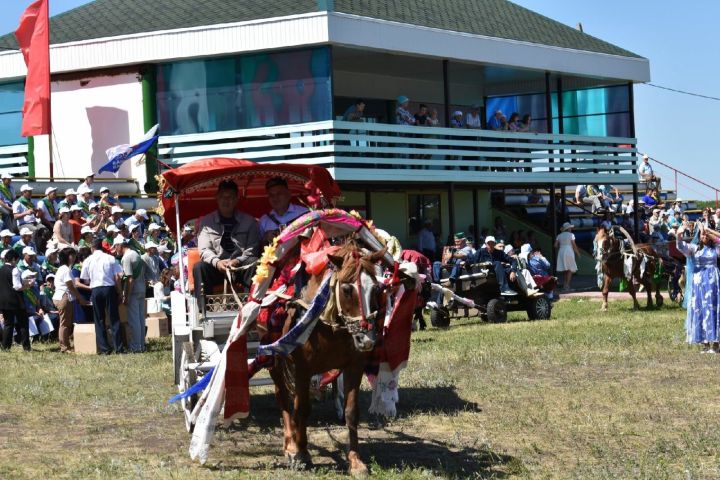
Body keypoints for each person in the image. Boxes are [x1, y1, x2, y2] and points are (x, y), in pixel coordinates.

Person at [193, 180, 259, 303]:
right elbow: (204, 250)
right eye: (223, 196)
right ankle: (203, 310)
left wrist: (237, 261)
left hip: (240, 266)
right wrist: (217, 262)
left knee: (255, 263)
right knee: (199, 267)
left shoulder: (249, 221)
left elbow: (252, 249)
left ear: (236, 199)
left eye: (231, 197)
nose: (226, 200)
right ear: (217, 198)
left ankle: (251, 306)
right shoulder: (206, 222)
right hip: (216, 267)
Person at [676, 221, 720, 352]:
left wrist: (706, 230)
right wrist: (679, 234)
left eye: (706, 235)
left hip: (713, 282)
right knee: (700, 309)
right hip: (698, 283)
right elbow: (681, 246)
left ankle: (716, 343)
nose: (704, 236)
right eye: (702, 235)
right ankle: (705, 344)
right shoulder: (694, 249)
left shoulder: (716, 249)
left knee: (712, 309)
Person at [81, 238, 123, 355]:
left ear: (92, 248)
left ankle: (104, 349)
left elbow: (85, 280)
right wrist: (119, 292)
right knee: (114, 318)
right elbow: (117, 277)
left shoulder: (88, 260)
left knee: (99, 319)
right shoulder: (110, 258)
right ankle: (118, 347)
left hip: (95, 288)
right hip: (109, 288)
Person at [114, 235, 147, 353]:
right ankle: (142, 345)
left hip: (133, 291)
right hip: (142, 289)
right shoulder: (136, 253)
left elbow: (130, 279)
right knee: (140, 319)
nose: (115, 250)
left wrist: (126, 296)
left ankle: (136, 346)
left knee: (134, 321)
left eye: (115, 247)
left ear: (120, 245)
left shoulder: (126, 257)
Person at [258, 177, 309, 245]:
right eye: (271, 195)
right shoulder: (264, 220)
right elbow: (256, 246)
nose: (275, 198)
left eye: (279, 194)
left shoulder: (305, 214)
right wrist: (265, 238)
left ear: (288, 194)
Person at [0, 250, 29, 351]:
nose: (16, 262)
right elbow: (17, 287)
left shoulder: (1, 269)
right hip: (16, 300)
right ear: (13, 259)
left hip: (3, 301)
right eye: (16, 260)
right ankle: (26, 346)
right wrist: (27, 286)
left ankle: (5, 346)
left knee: (8, 324)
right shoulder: (15, 270)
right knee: (23, 323)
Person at [555, 222, 580, 292]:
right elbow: (574, 245)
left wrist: (561, 246)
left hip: (561, 251)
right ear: (568, 228)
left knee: (566, 269)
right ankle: (567, 286)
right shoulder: (571, 235)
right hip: (568, 251)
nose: (571, 229)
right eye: (570, 228)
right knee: (570, 269)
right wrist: (578, 253)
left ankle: (565, 285)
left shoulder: (559, 235)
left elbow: (555, 245)